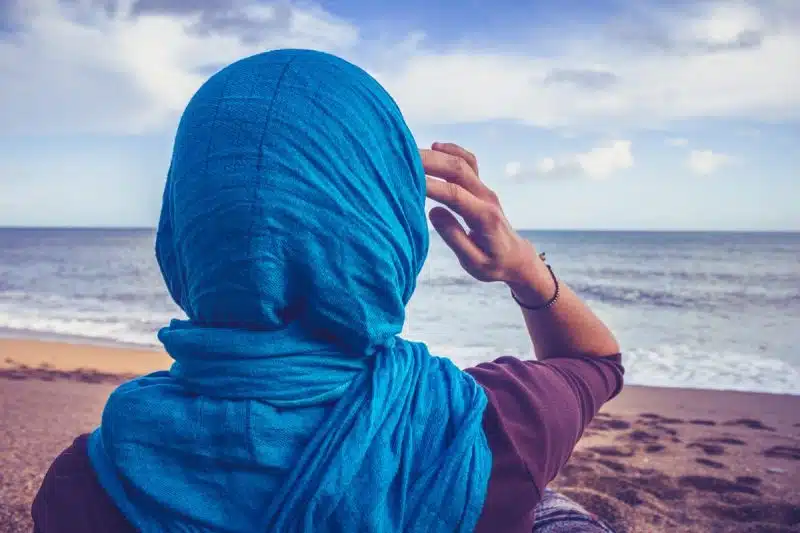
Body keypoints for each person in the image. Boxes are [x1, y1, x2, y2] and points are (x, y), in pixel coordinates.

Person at [31, 49, 623, 533]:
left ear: (183, 230)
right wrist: (521, 266)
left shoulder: (86, 485)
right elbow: (595, 361)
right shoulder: (488, 431)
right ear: (384, 227)